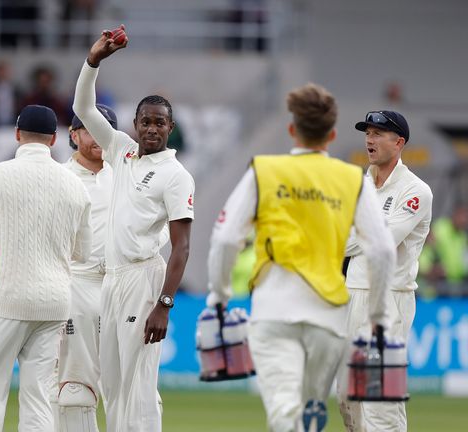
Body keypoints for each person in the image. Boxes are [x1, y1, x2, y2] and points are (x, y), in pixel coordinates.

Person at [207, 83, 397, 432]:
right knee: (308, 410)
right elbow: (383, 250)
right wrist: (379, 317)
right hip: (328, 316)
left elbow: (224, 239)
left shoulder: (265, 170)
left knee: (283, 412)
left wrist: (218, 295)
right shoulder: (351, 179)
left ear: (292, 129)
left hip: (274, 309)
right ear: (333, 134)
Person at [72, 27, 195, 432]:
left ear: (170, 128)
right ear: (135, 124)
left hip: (144, 280)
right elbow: (84, 107)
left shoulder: (175, 175)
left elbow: (181, 248)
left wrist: (164, 304)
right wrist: (94, 60)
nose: (152, 129)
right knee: (114, 383)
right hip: (112, 280)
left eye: (160, 123)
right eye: (146, 122)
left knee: (138, 385)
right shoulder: (122, 151)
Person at [0, 104, 92, 432]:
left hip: (7, 299)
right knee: (38, 397)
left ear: (18, 134)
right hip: (54, 304)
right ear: (53, 139)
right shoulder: (75, 185)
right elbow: (83, 252)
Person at [338, 111, 432, 431]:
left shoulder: (416, 190)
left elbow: (381, 241)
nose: (369, 139)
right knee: (347, 398)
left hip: (389, 301)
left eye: (378, 133)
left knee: (379, 402)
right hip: (353, 293)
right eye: (368, 132)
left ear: (399, 142)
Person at [52, 104, 117, 431]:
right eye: (90, 129)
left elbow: (158, 227)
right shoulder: (58, 178)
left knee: (132, 389)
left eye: (105, 128)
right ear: (73, 135)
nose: (97, 138)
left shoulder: (128, 176)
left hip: (122, 285)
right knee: (75, 388)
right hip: (75, 284)